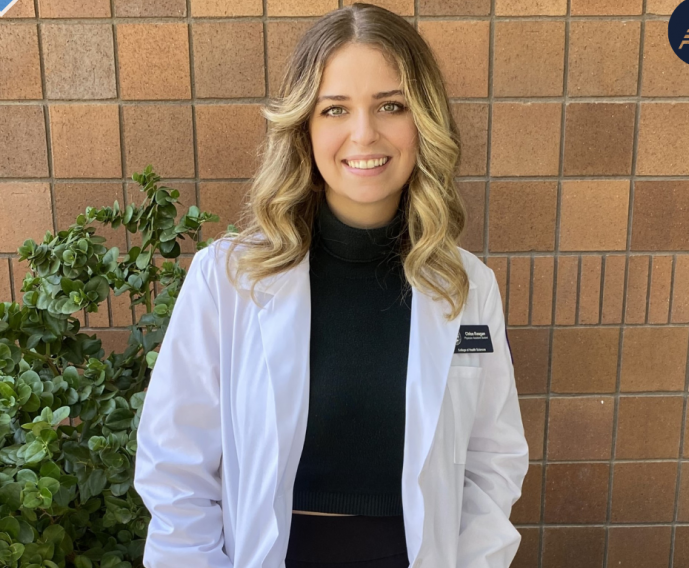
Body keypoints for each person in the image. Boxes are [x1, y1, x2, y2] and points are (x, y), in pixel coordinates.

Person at [132, 3, 529, 568]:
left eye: (391, 105)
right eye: (335, 109)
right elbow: (175, 467)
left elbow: (493, 461)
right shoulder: (229, 279)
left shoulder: (468, 287)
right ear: (304, 126)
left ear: (424, 122)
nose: (363, 134)